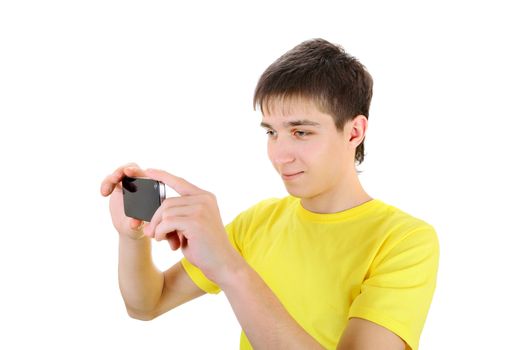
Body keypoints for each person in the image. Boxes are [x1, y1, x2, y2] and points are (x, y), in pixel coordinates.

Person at [100, 38, 439, 350]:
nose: (280, 154)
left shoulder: (405, 241)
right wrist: (132, 236)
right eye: (272, 132)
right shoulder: (259, 221)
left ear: (354, 132)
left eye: (301, 132)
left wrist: (229, 266)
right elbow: (147, 304)